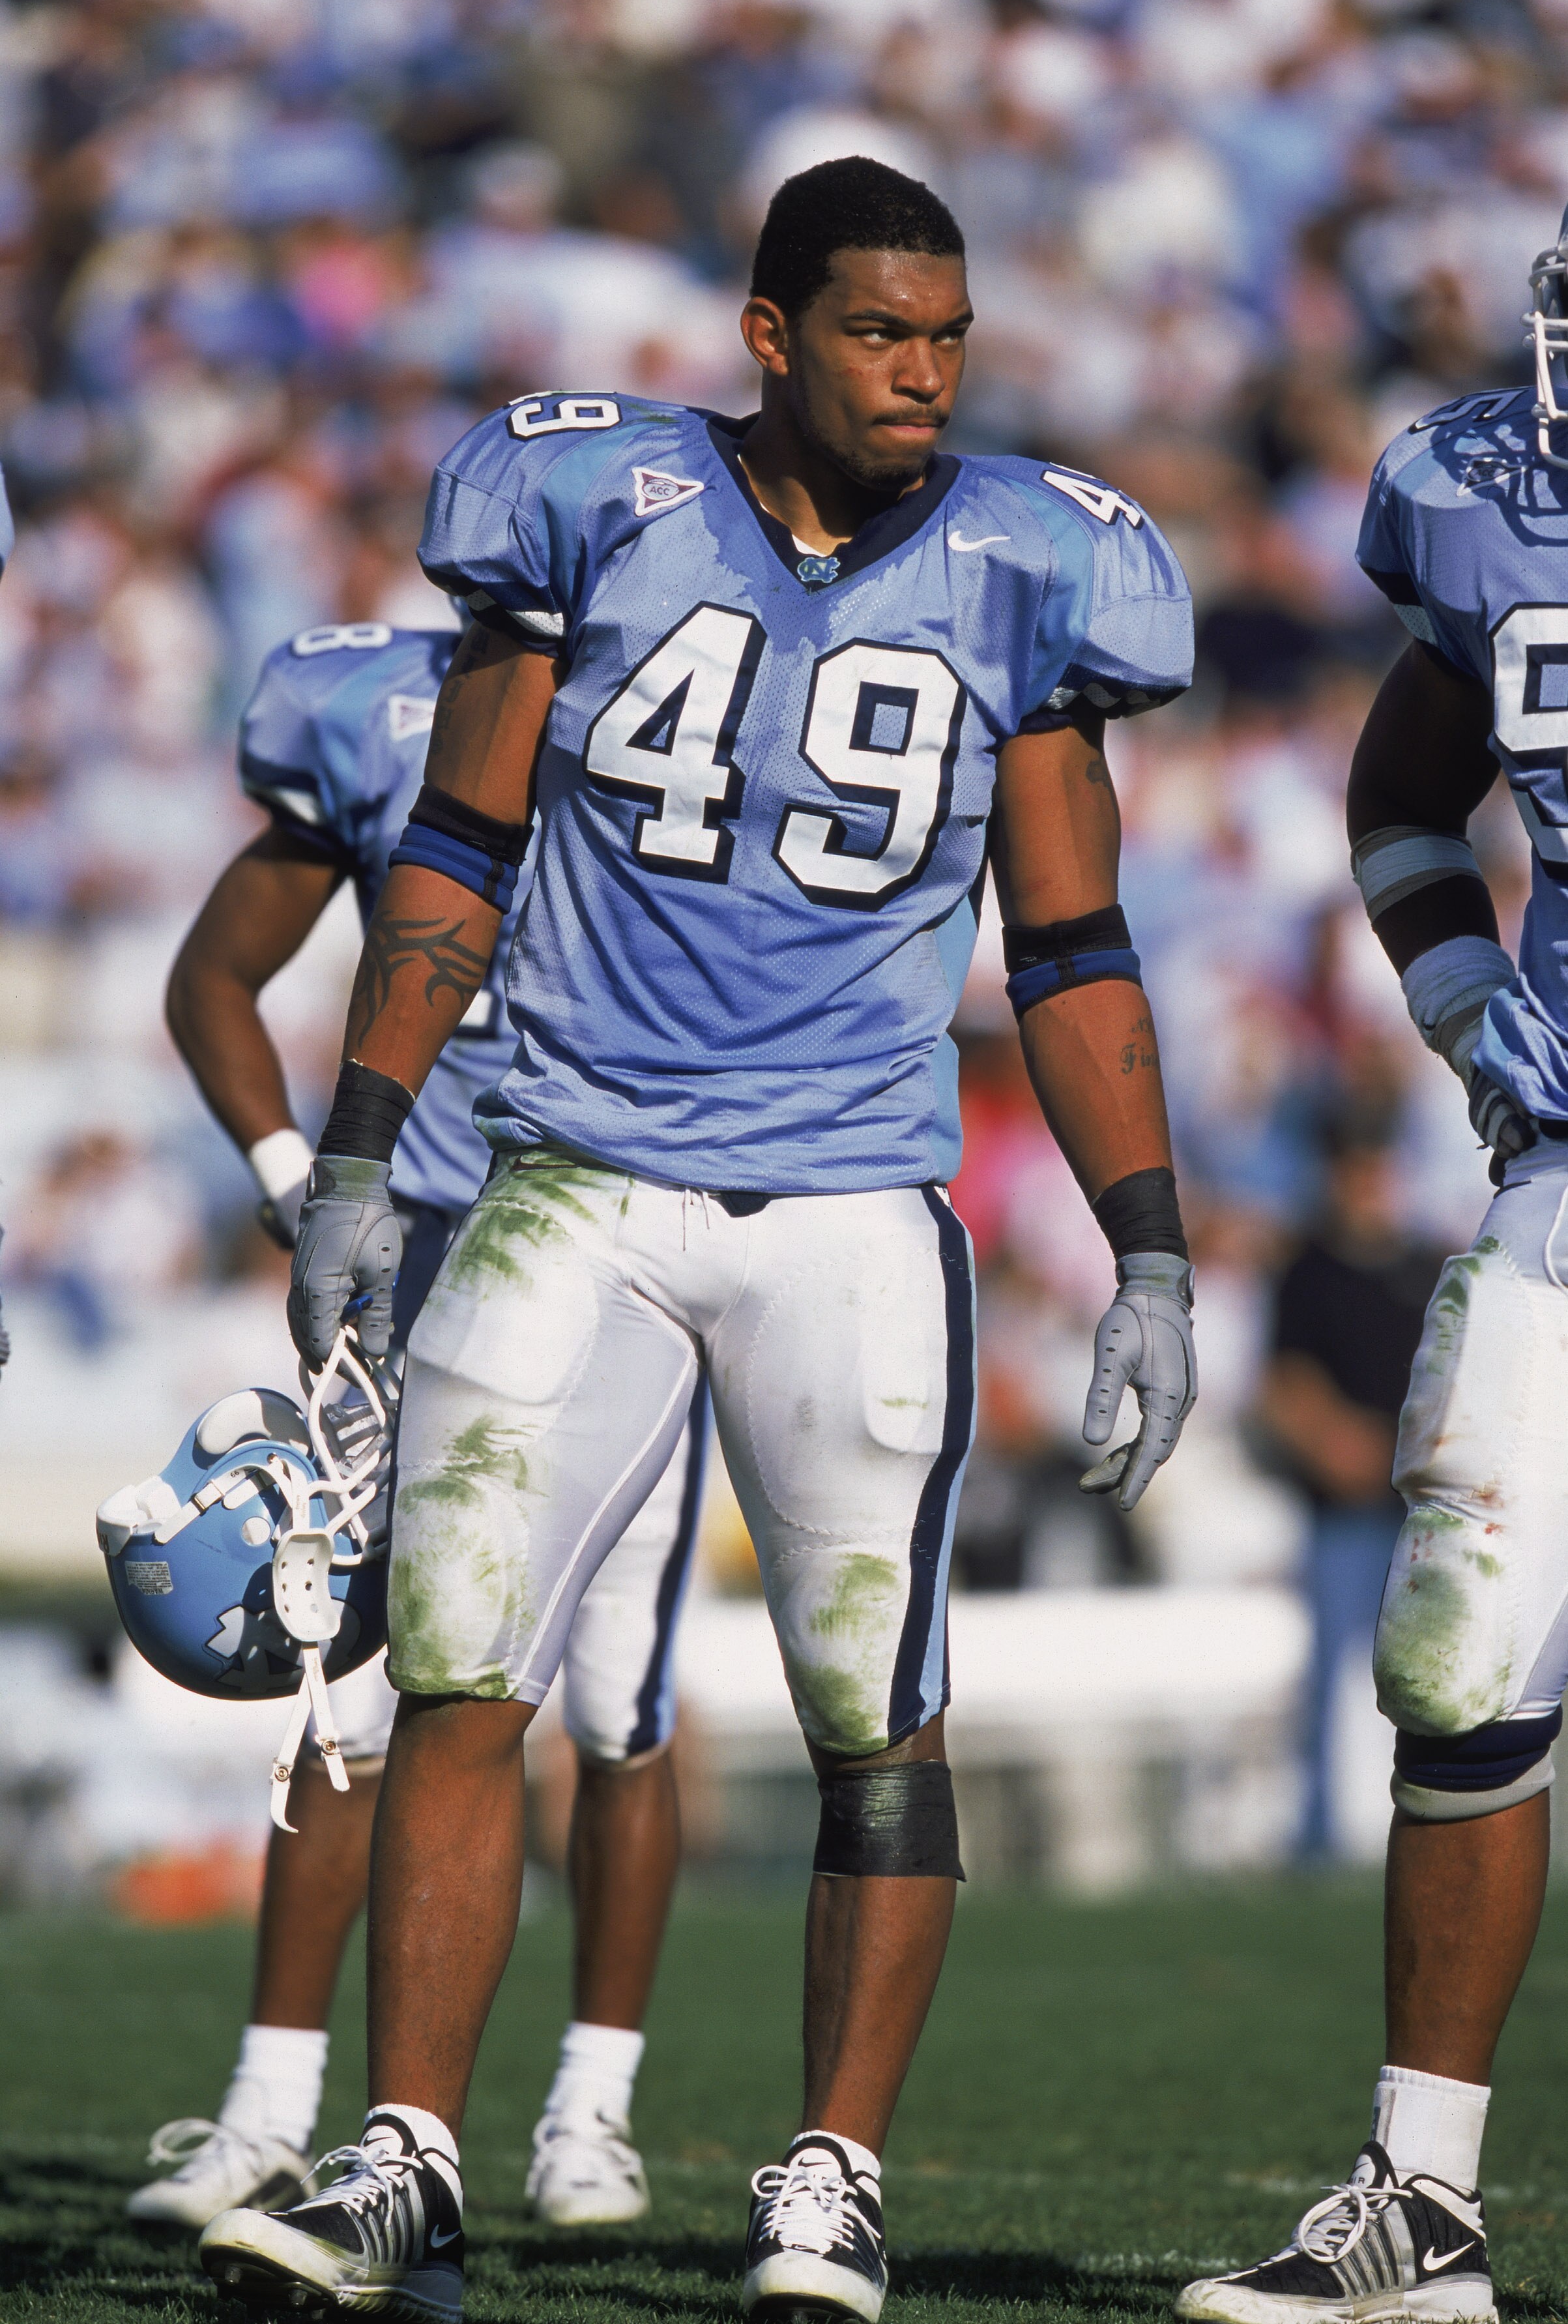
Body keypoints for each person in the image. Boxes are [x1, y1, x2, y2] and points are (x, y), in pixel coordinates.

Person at [199, 155, 1198, 2324]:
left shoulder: (1037, 562)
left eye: (944, 335)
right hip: (572, 1165)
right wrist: (362, 1147)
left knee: (872, 1710)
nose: (920, 374)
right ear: (769, 336)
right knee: (466, 1665)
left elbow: (1074, 940)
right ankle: (408, 2159)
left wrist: (1147, 1245)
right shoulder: (595, 500)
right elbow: (456, 848)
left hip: (850, 1198)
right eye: (873, 332)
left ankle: (827, 2173)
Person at [139, 614, 707, 2233]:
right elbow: (214, 975)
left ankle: (587, 2107)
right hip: (426, 1246)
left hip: (628, 1241)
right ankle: (265, 2108)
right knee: (353, 1687)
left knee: (617, 1700)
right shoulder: (376, 704)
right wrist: (283, 1176)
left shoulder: (712, 679)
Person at [1179, 207, 1568, 2324]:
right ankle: (1415, 2205)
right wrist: (1447, 986)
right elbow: (1405, 774)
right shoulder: (1475, 508)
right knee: (1454, 1662)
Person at [1258, 1106, 1444, 1859]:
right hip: (1339, 1514)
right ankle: (1321, 1835)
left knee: (1436, 1676)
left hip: (1422, 1514)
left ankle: (1436, 1825)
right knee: (1329, 1685)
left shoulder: (1429, 1267)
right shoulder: (1307, 1271)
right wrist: (1340, 1442)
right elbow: (1285, 1387)